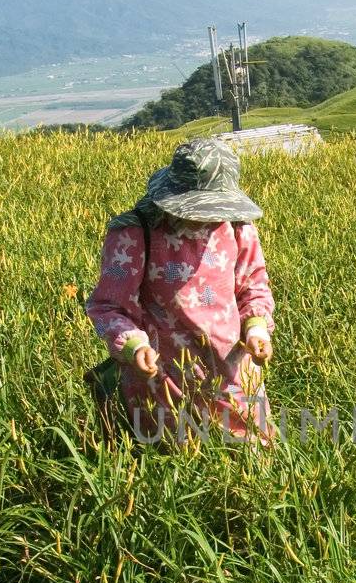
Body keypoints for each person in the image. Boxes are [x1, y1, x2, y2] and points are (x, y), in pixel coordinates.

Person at [85, 137, 275, 443]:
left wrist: (256, 329)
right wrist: (133, 346)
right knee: (172, 463)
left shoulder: (238, 226)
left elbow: (253, 285)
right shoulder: (135, 233)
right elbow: (109, 306)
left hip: (233, 374)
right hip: (162, 379)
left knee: (252, 455)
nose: (207, 220)